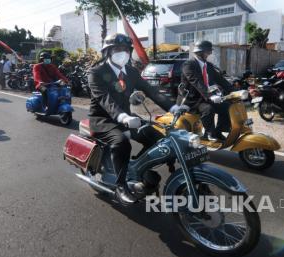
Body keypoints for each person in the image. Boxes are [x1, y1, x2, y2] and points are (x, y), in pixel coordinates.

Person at [88, 33, 176, 204]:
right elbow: (104, 99)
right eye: (117, 49)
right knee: (121, 142)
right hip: (103, 119)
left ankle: (139, 168)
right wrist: (122, 117)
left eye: (126, 50)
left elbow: (151, 91)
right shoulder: (96, 72)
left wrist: (173, 107)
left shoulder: (131, 72)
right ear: (107, 52)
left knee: (158, 139)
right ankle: (121, 186)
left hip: (128, 117)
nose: (123, 53)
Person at [177, 40, 234, 141]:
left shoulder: (209, 66)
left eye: (209, 52)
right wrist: (209, 95)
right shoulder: (188, 65)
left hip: (206, 97)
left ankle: (218, 131)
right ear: (200, 52)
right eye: (208, 52)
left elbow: (220, 80)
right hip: (192, 100)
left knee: (227, 107)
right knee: (208, 109)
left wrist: (234, 91)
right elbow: (196, 81)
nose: (209, 54)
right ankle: (208, 133)